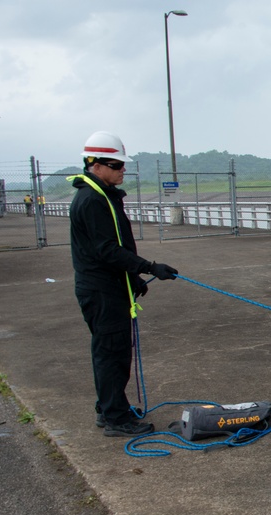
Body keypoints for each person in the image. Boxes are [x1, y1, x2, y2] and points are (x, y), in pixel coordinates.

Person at [69, 131, 179, 437]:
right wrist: (149, 268)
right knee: (111, 353)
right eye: (116, 165)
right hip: (101, 290)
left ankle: (109, 407)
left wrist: (133, 278)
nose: (122, 170)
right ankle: (115, 417)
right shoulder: (91, 200)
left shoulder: (103, 195)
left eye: (121, 165)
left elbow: (115, 245)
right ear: (96, 165)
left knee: (114, 351)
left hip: (111, 286)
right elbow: (106, 249)